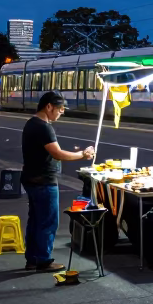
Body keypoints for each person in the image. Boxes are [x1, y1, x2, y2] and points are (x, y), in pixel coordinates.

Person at [21, 91, 94, 272]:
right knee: (48, 221)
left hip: (31, 178)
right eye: (60, 109)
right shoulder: (44, 127)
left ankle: (32, 259)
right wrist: (82, 155)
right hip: (43, 181)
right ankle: (44, 260)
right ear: (49, 107)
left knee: (36, 221)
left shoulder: (31, 123)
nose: (61, 113)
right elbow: (58, 153)